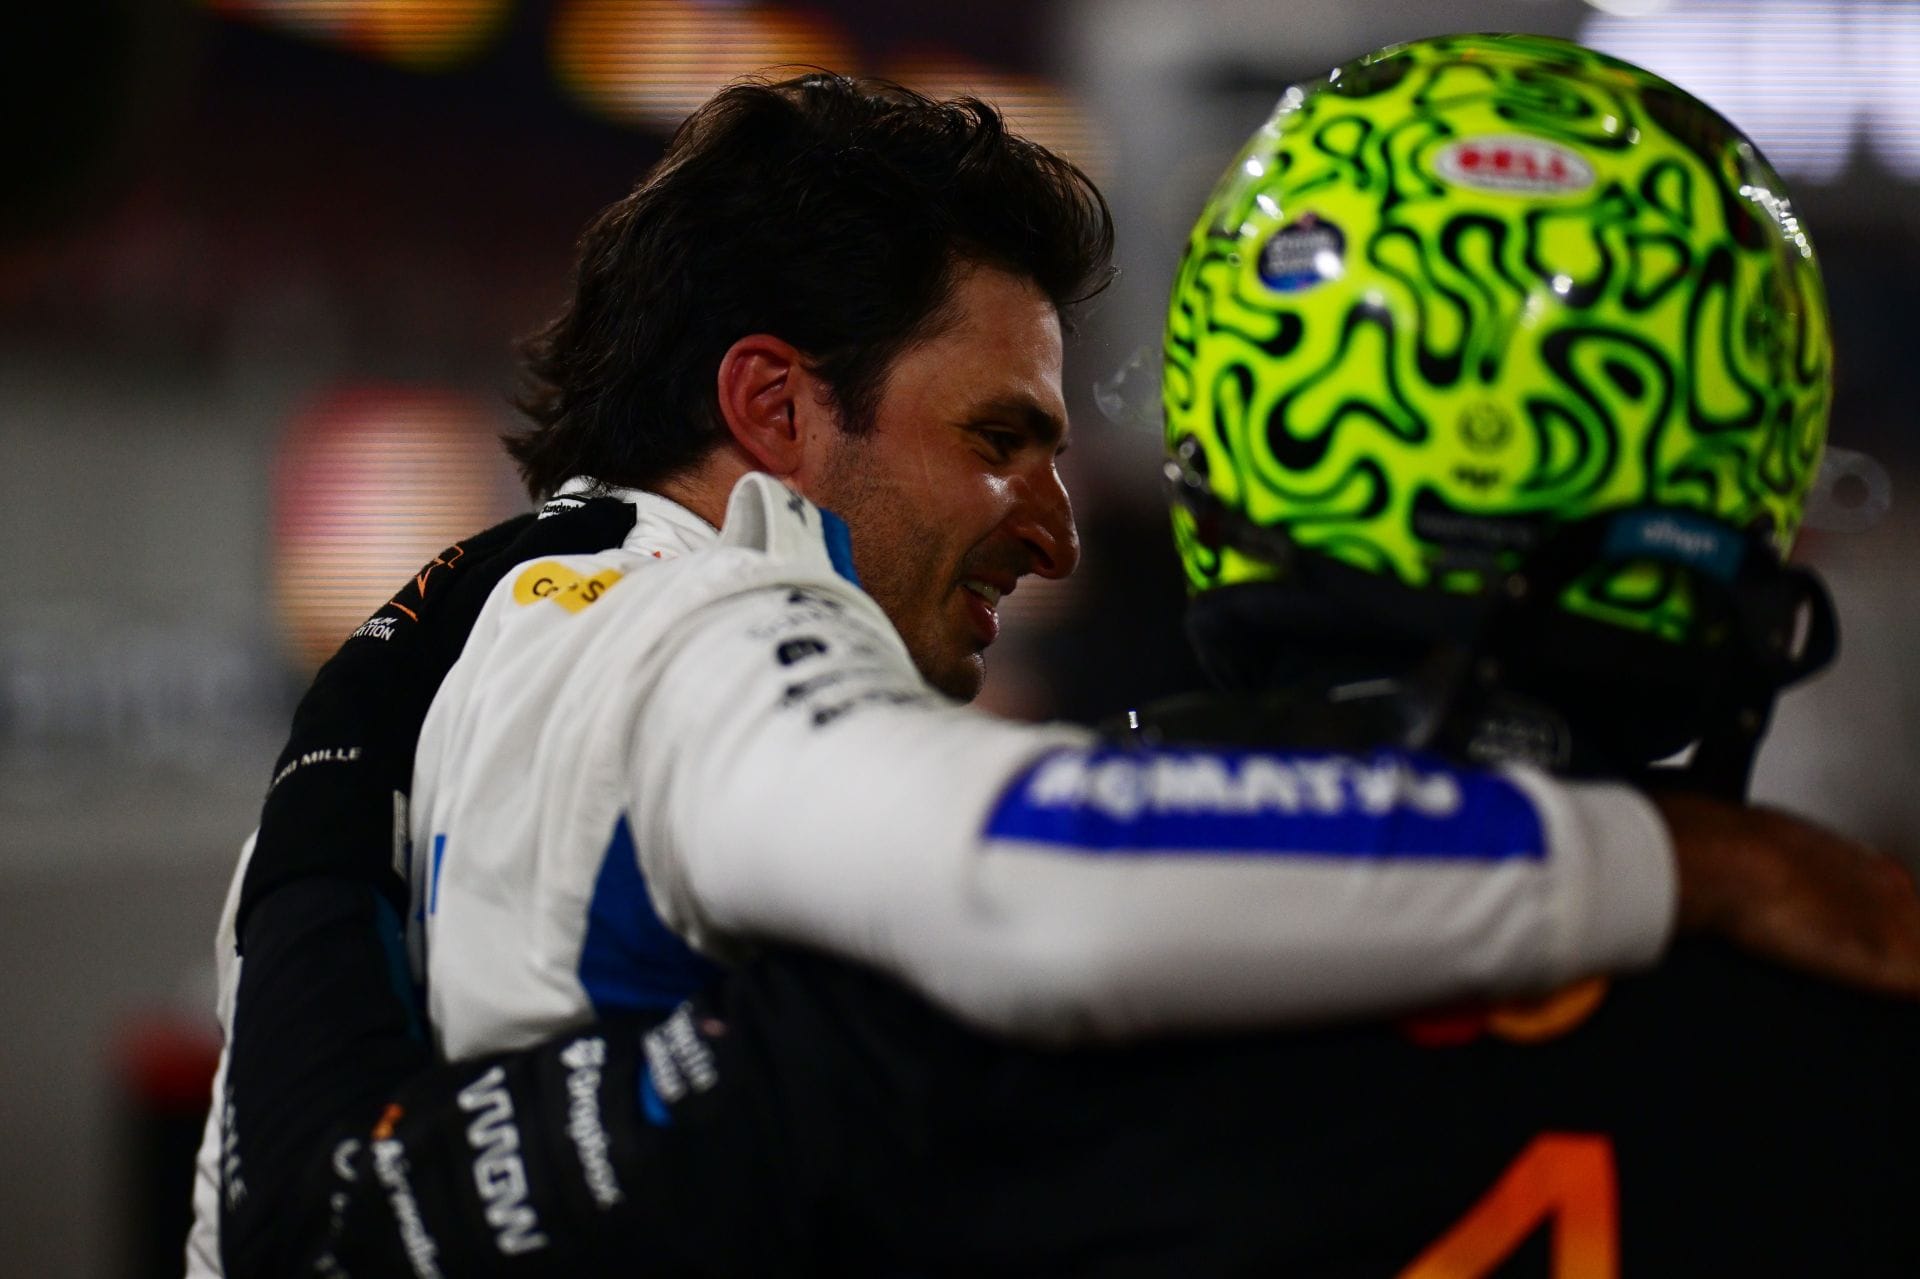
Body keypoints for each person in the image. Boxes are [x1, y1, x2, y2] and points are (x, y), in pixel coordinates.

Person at [190, 57, 1920, 1277]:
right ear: (774, 411)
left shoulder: (461, 679)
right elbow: (1030, 872)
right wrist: (1691, 860)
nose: (1061, 528)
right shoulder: (700, 624)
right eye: (999, 437)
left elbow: (312, 1223)